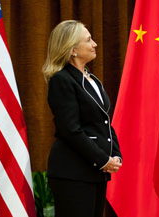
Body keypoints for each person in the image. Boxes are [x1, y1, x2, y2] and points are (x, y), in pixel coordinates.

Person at [42, 20, 122, 217]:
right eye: (88, 40)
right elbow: (70, 129)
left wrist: (115, 154)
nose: (94, 44)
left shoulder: (91, 79)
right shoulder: (62, 80)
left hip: (94, 172)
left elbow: (104, 121)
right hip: (73, 173)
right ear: (73, 50)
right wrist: (103, 160)